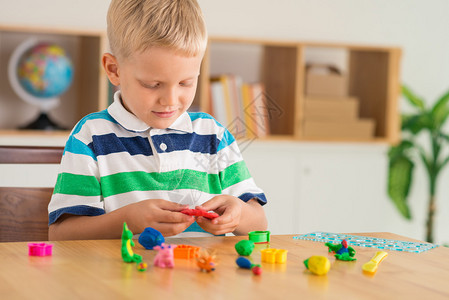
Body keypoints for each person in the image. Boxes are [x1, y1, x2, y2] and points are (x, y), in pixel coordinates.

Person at [48, 0, 267, 240]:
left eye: (186, 82)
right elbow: (61, 235)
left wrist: (238, 215)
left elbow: (260, 225)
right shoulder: (91, 136)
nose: (170, 100)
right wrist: (128, 221)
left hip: (202, 275)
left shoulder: (213, 135)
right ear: (114, 70)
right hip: (121, 276)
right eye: (152, 84)